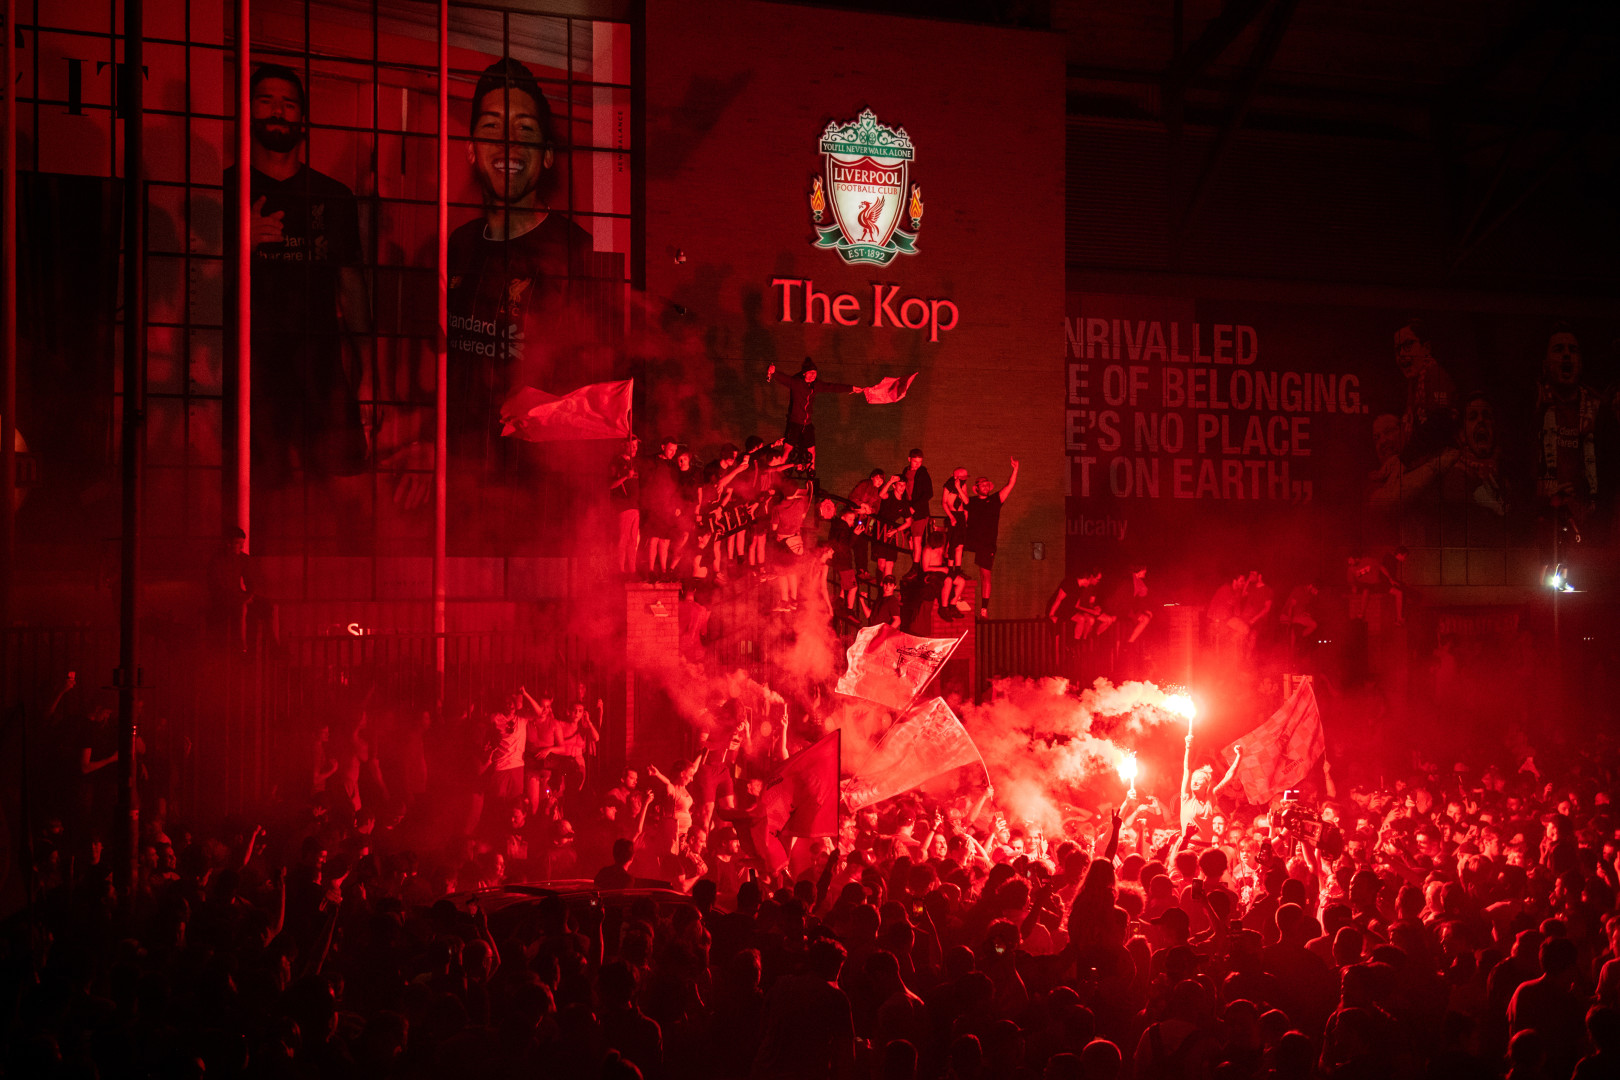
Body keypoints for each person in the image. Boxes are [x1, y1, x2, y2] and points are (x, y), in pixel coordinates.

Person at [445, 57, 612, 546]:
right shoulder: (458, 244)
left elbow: (611, 387)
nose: (508, 143)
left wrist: (545, 405)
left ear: (546, 155)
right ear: (473, 150)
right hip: (463, 478)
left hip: (545, 492)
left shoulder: (580, 252)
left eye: (524, 128)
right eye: (492, 127)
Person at [225, 64, 369, 484]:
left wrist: (371, 370)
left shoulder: (333, 196)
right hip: (251, 377)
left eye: (289, 104)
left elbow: (351, 284)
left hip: (320, 376)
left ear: (302, 119)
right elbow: (196, 286)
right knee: (256, 498)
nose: (278, 111)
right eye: (266, 100)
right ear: (247, 111)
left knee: (340, 497)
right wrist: (240, 243)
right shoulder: (225, 190)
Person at [764, 357, 858, 471]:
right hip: (795, 422)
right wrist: (774, 372)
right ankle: (778, 472)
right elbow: (785, 379)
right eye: (811, 373)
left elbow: (831, 387)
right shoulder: (797, 383)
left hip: (807, 423)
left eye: (815, 373)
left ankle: (811, 473)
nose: (814, 375)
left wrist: (851, 388)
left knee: (812, 450)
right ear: (804, 374)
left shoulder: (815, 385)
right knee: (787, 450)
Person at [964, 458, 1020, 618]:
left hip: (987, 543)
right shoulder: (971, 501)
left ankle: (984, 608)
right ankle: (953, 573)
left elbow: (1010, 485)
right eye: (982, 484)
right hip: (972, 538)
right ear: (976, 488)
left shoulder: (995, 500)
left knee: (985, 574)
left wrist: (1015, 469)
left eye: (987, 484)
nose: (986, 486)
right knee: (954, 544)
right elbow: (960, 514)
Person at [1180, 733, 1242, 848]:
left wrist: (1239, 756)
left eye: (1199, 779)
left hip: (1207, 848)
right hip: (1189, 846)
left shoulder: (1211, 797)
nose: (1195, 781)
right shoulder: (1186, 797)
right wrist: (1188, 747)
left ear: (1206, 784)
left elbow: (1229, 777)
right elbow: (1187, 769)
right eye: (1193, 779)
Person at [610, 436, 641, 576]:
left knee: (633, 540)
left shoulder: (634, 463)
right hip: (623, 506)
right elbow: (610, 485)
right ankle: (621, 569)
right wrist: (625, 477)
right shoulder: (617, 462)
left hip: (635, 506)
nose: (635, 449)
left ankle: (632, 570)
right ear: (624, 446)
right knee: (623, 538)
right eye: (632, 446)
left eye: (636, 446)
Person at [900, 449, 934, 562]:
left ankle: (916, 567)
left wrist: (914, 507)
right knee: (910, 539)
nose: (917, 464)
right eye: (915, 462)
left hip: (919, 511)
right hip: (908, 509)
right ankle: (915, 564)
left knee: (917, 540)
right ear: (909, 460)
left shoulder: (923, 473)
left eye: (920, 462)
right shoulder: (906, 471)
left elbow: (929, 493)